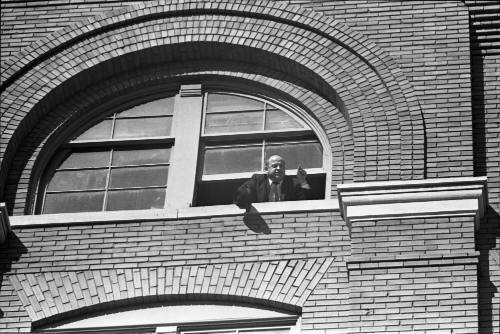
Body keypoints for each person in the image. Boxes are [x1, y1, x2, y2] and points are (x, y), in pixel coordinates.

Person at [233, 155, 310, 210]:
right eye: (275, 166)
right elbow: (241, 194)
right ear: (266, 168)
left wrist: (302, 181)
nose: (278, 168)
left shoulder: (293, 183)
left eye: (281, 166)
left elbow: (307, 201)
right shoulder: (258, 180)